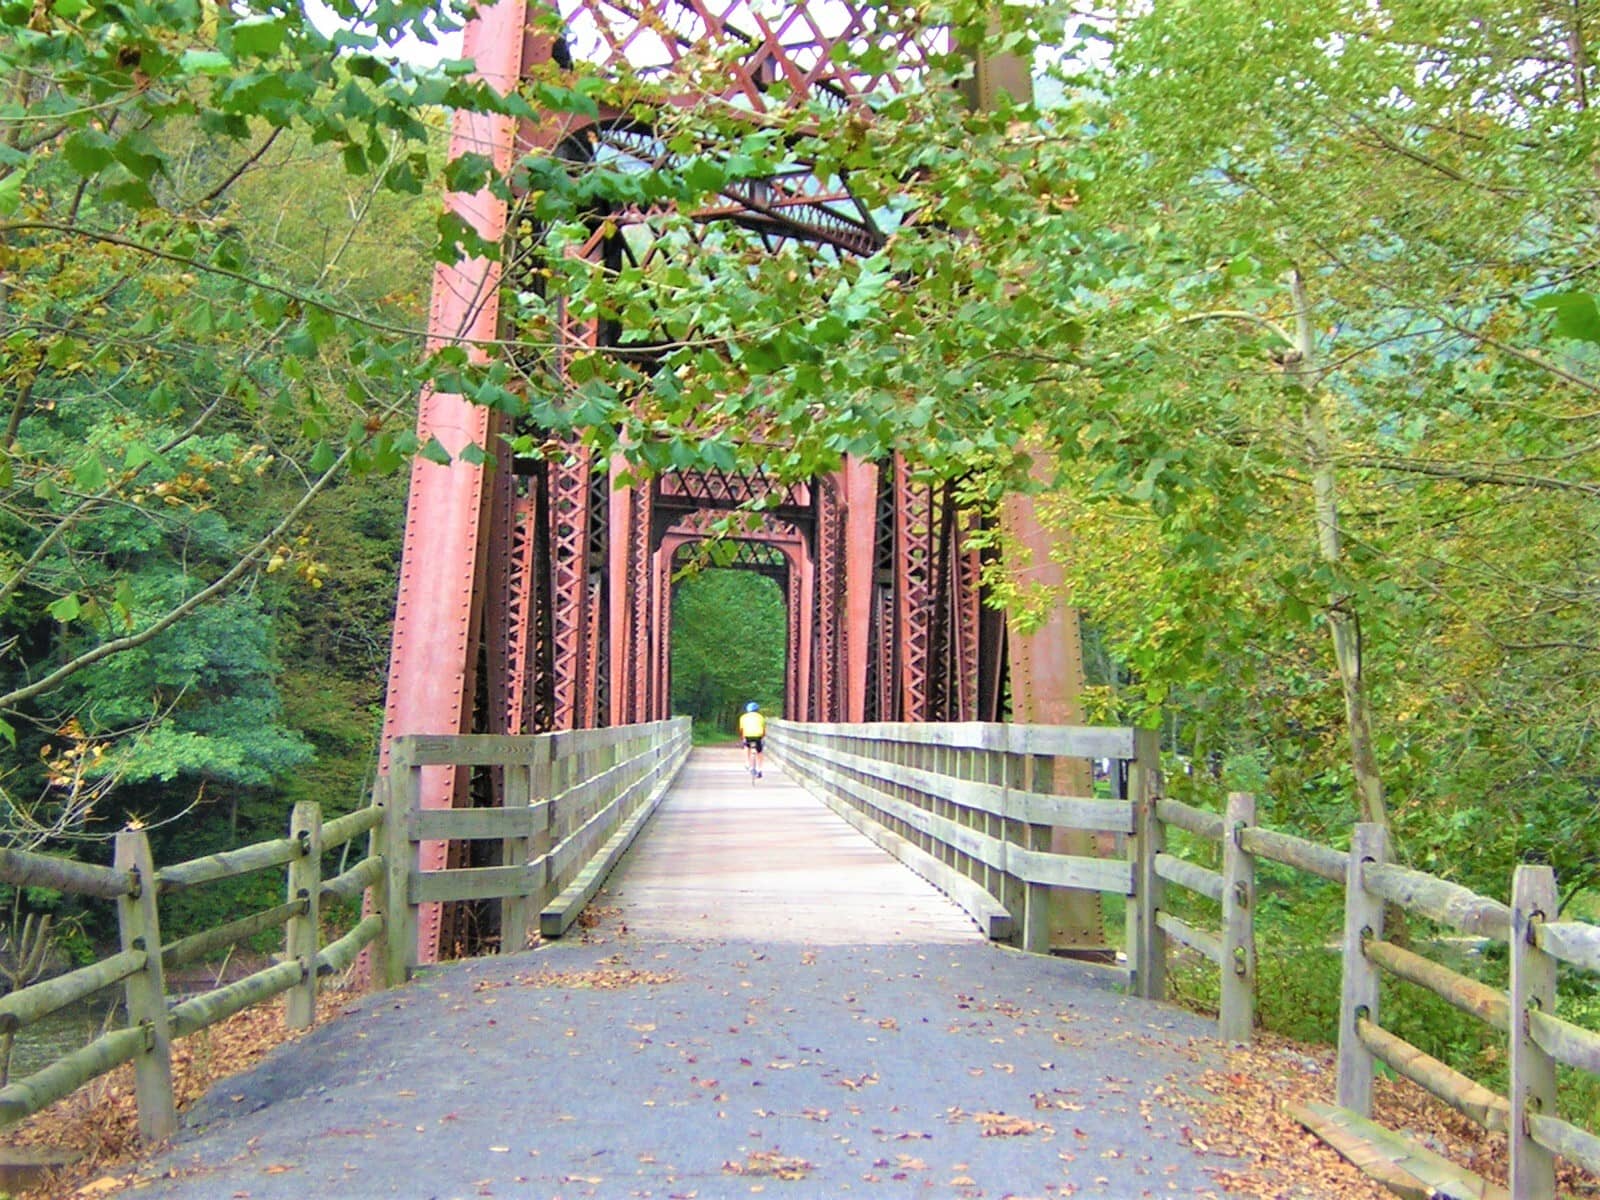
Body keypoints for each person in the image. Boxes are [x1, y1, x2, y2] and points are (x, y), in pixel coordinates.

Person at [738, 701, 766, 778]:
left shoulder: (743, 717)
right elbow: (763, 729)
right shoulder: (760, 717)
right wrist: (763, 737)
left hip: (748, 735)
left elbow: (741, 729)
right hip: (758, 736)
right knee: (759, 752)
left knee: (747, 747)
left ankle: (748, 763)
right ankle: (760, 769)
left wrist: (742, 737)